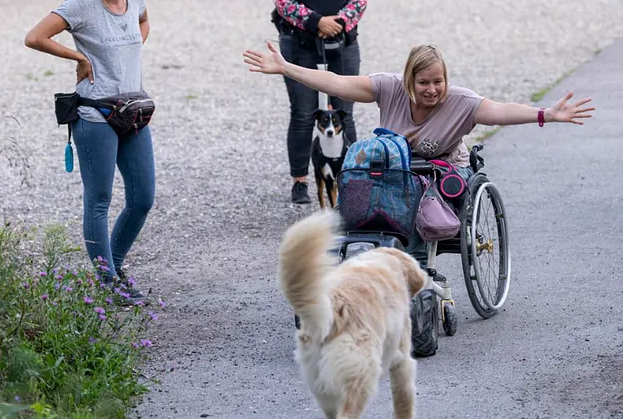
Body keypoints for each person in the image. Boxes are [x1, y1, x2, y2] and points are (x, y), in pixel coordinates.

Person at [242, 42, 594, 260]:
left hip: (440, 173)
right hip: (393, 171)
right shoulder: (389, 88)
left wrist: (547, 114)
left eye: (437, 81)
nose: (431, 89)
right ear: (409, 80)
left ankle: (415, 267)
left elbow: (501, 110)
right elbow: (338, 83)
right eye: (423, 82)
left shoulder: (460, 101)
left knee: (420, 204)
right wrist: (287, 67)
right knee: (353, 193)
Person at [25, 0, 154, 301]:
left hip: (133, 111)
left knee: (142, 198)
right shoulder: (81, 4)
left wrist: (128, 53)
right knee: (98, 200)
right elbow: (34, 37)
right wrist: (79, 58)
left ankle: (113, 264)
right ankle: (108, 283)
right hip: (94, 115)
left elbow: (143, 22)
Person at [270, 0, 369, 204]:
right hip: (300, 43)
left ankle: (350, 176)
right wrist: (315, 21)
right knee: (302, 113)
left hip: (342, 40)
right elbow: (283, 1)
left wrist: (339, 20)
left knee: (345, 112)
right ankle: (301, 179)